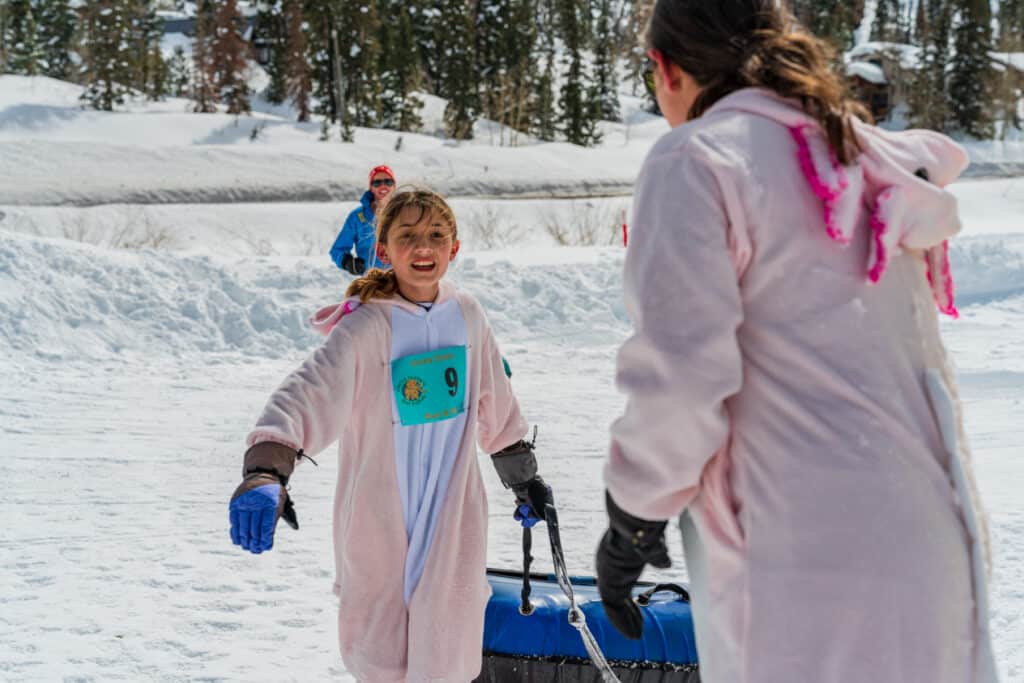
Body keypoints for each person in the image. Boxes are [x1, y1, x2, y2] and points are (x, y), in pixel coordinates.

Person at [594, 2, 997, 683]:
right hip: (933, 542)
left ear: (664, 69)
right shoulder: (860, 154)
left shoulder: (697, 158)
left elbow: (683, 374)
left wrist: (632, 513)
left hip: (807, 556)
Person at [228, 188, 553, 682]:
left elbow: (497, 401)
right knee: (380, 650)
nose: (424, 248)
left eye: (436, 236)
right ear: (384, 250)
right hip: (380, 512)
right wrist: (265, 471)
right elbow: (307, 392)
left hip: (452, 508)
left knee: (448, 643)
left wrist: (523, 479)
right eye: (408, 237)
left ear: (455, 248)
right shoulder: (367, 327)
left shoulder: (468, 317)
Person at [330, 165, 396, 275]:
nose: (383, 186)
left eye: (388, 182)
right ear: (371, 188)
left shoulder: (405, 213)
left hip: (401, 282)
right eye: (377, 183)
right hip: (370, 282)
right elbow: (337, 250)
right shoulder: (357, 217)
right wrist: (348, 262)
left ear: (394, 186)